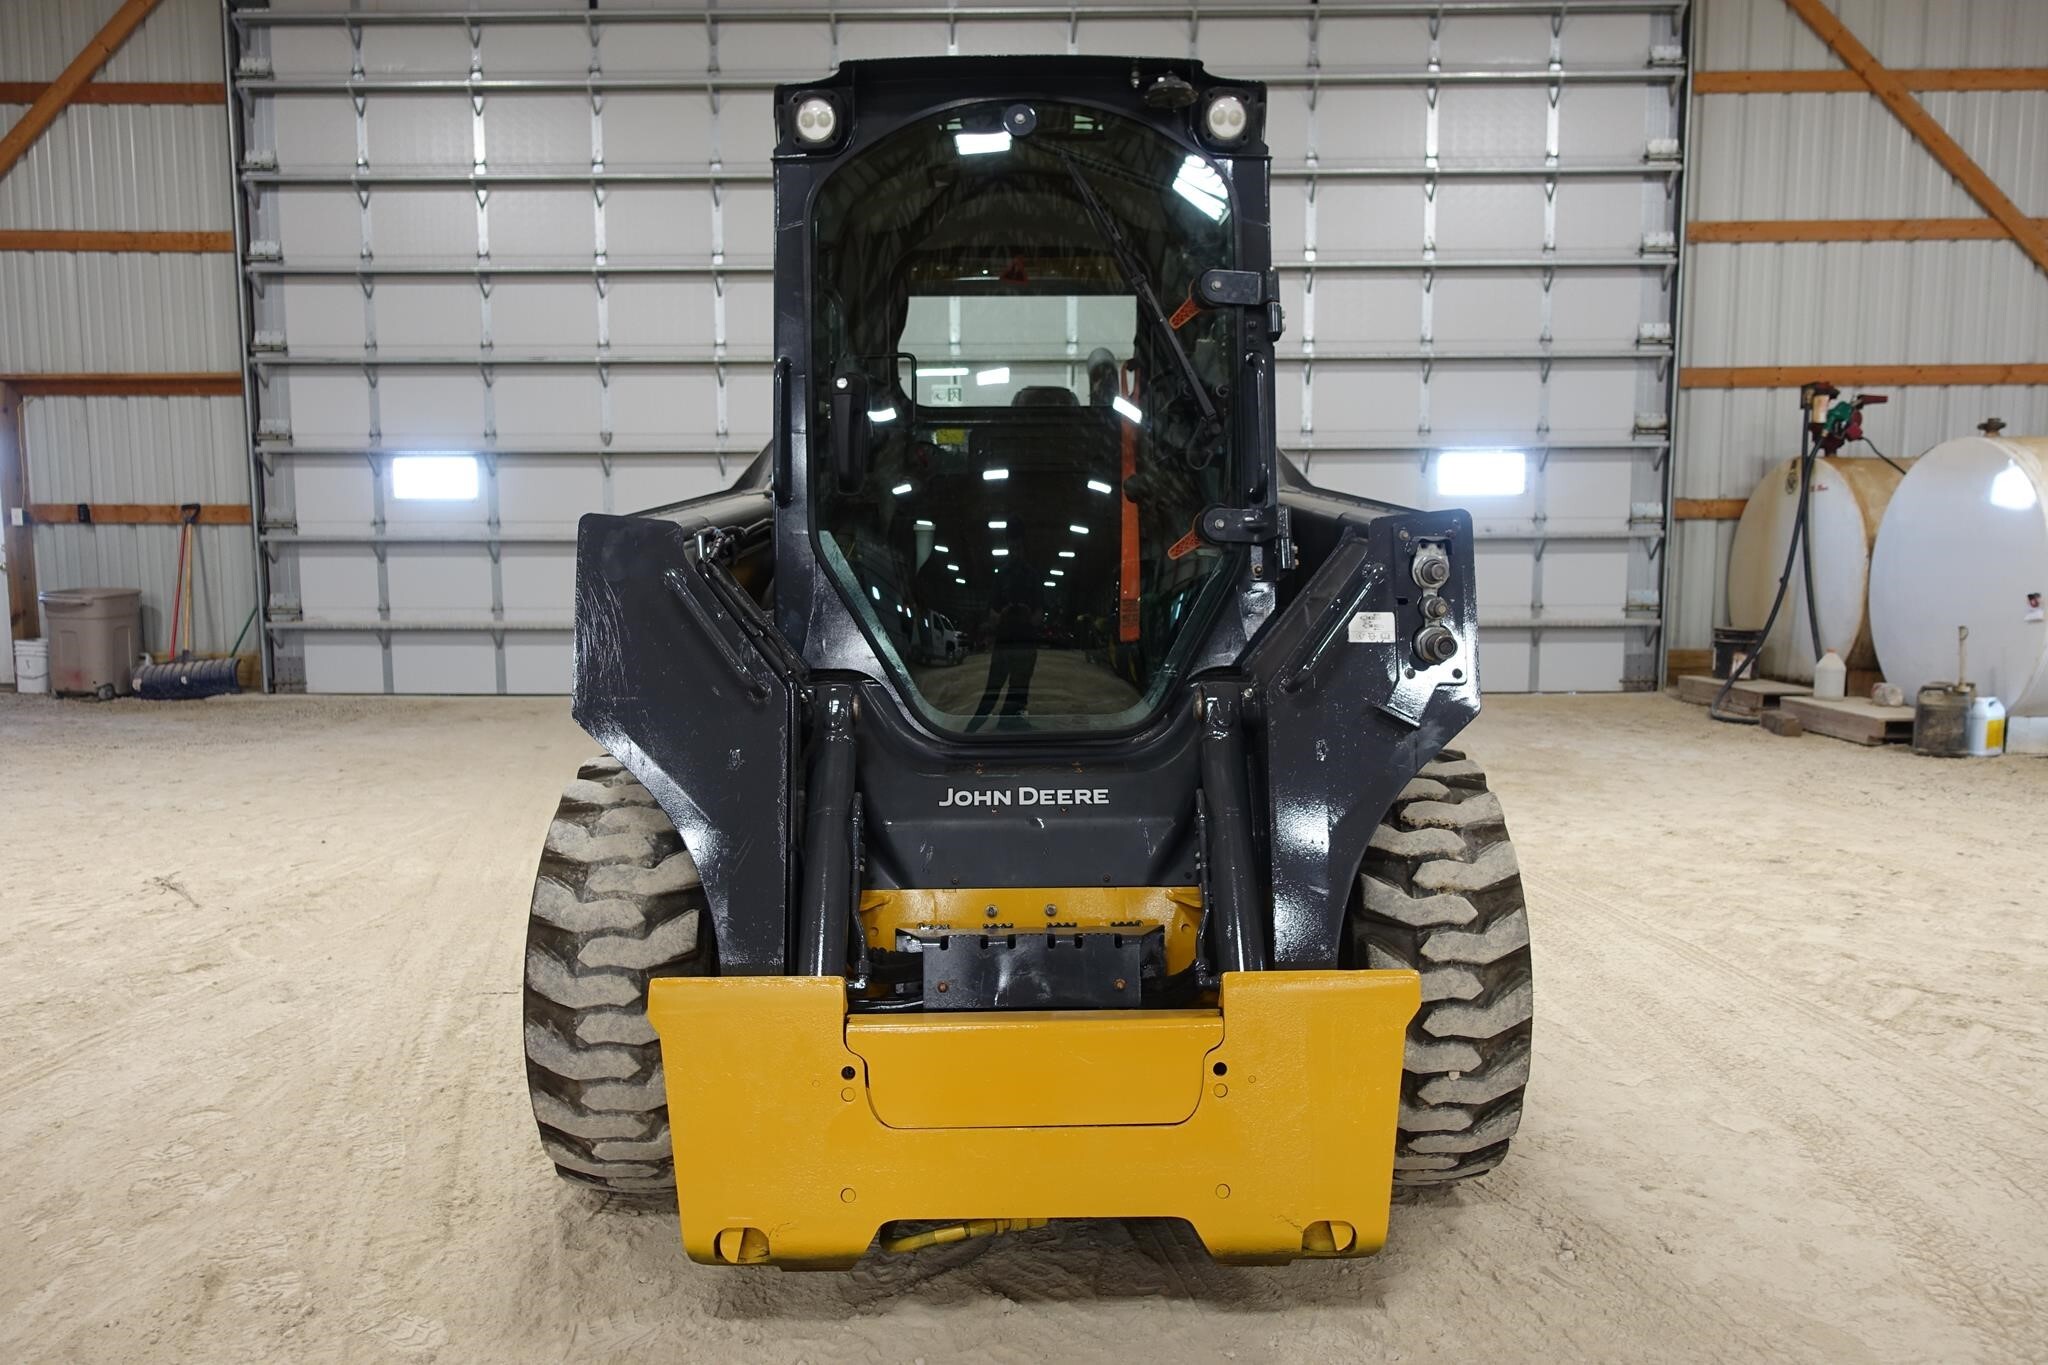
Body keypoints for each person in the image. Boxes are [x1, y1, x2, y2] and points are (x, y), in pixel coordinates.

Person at [965, 586, 1042, 732]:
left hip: (1014, 647)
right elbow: (1037, 618)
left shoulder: (1004, 581)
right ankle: (974, 728)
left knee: (1010, 690)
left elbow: (993, 619)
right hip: (1018, 647)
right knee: (1005, 689)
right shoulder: (1031, 581)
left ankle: (975, 728)